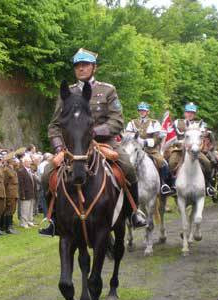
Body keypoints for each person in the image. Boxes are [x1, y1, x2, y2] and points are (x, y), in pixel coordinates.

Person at [40, 48, 147, 236]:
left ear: (93, 68)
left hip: (106, 143)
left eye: (85, 65)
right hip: (73, 148)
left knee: (127, 167)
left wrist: (92, 132)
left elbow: (117, 121)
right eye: (77, 66)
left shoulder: (107, 90)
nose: (81, 69)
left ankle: (133, 213)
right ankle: (53, 220)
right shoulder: (68, 93)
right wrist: (58, 147)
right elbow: (54, 125)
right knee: (46, 174)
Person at [167, 102, 216, 196]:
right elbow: (171, 136)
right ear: (185, 113)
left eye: (192, 112)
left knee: (207, 163)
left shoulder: (200, 124)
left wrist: (197, 146)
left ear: (194, 114)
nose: (190, 114)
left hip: (194, 150)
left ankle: (208, 185)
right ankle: (172, 185)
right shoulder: (178, 122)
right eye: (188, 112)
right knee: (171, 163)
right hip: (179, 149)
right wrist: (178, 143)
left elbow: (202, 138)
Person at [125, 102, 173, 195]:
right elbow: (128, 136)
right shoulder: (132, 123)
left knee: (162, 162)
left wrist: (146, 142)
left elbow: (158, 138)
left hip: (150, 150)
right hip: (135, 149)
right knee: (125, 162)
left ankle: (163, 184)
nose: (142, 112)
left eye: (144, 110)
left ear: (148, 112)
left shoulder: (154, 123)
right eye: (141, 110)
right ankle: (124, 184)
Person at [2, 154, 19, 233]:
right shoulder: (6, 170)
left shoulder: (12, 169)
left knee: (13, 209)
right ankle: (7, 227)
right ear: (9, 161)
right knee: (8, 209)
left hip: (14, 192)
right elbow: (4, 183)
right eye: (13, 160)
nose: (15, 161)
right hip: (9, 192)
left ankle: (10, 225)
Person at [17, 156, 36, 228]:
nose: (30, 163)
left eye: (30, 161)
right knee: (25, 209)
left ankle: (29, 221)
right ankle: (23, 222)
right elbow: (21, 184)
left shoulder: (30, 170)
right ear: (24, 162)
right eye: (28, 161)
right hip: (25, 193)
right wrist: (22, 195)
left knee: (30, 208)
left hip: (31, 193)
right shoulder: (21, 171)